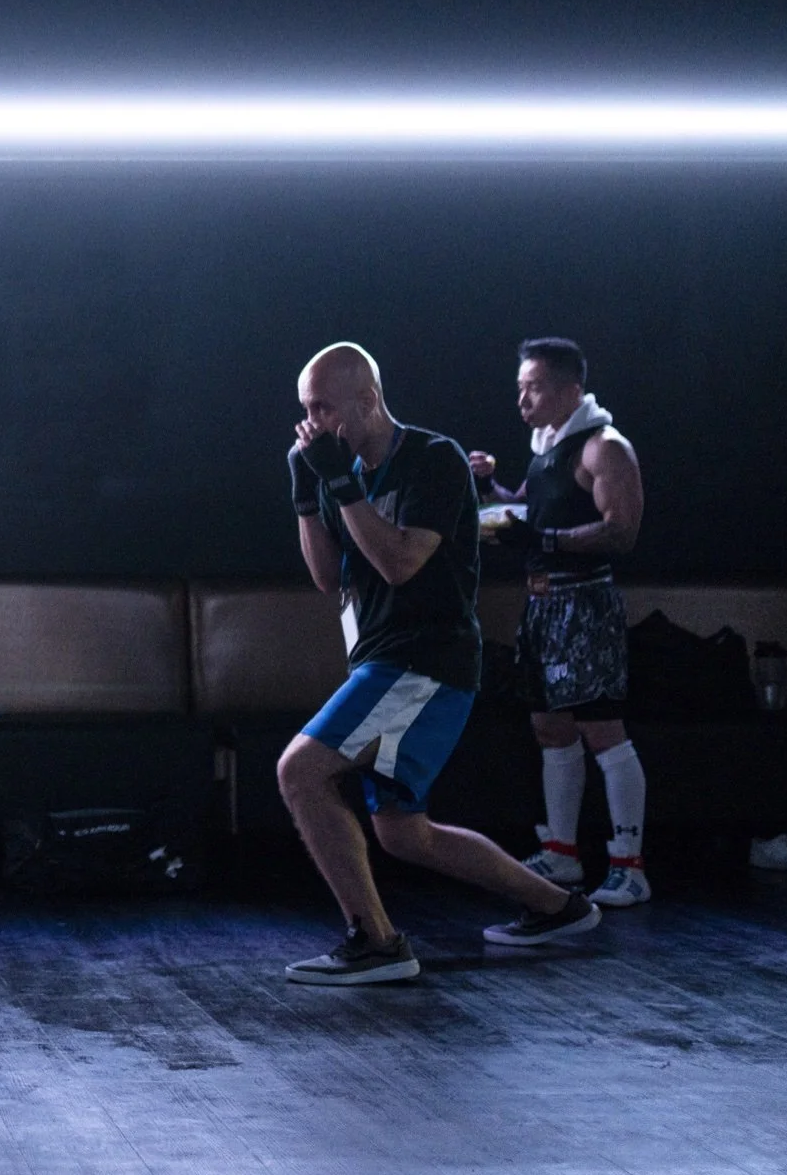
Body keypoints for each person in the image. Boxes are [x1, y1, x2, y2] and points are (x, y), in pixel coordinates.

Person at [278, 343, 601, 985]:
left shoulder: (433, 459)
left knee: (302, 771)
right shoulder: (337, 466)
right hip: (383, 660)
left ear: (368, 401)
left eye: (323, 407)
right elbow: (325, 578)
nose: (311, 421)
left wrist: (339, 483)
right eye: (304, 409)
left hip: (424, 663)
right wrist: (308, 497)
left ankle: (377, 943)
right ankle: (558, 907)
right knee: (404, 833)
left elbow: (400, 562)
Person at [469, 338, 649, 907]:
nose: (522, 400)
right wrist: (488, 491)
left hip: (586, 604)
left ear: (570, 391)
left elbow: (622, 531)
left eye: (535, 387)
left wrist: (540, 538)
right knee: (550, 728)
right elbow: (526, 511)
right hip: (543, 605)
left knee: (602, 730)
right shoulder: (548, 446)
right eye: (520, 388)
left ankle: (630, 865)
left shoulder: (604, 448)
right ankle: (564, 855)